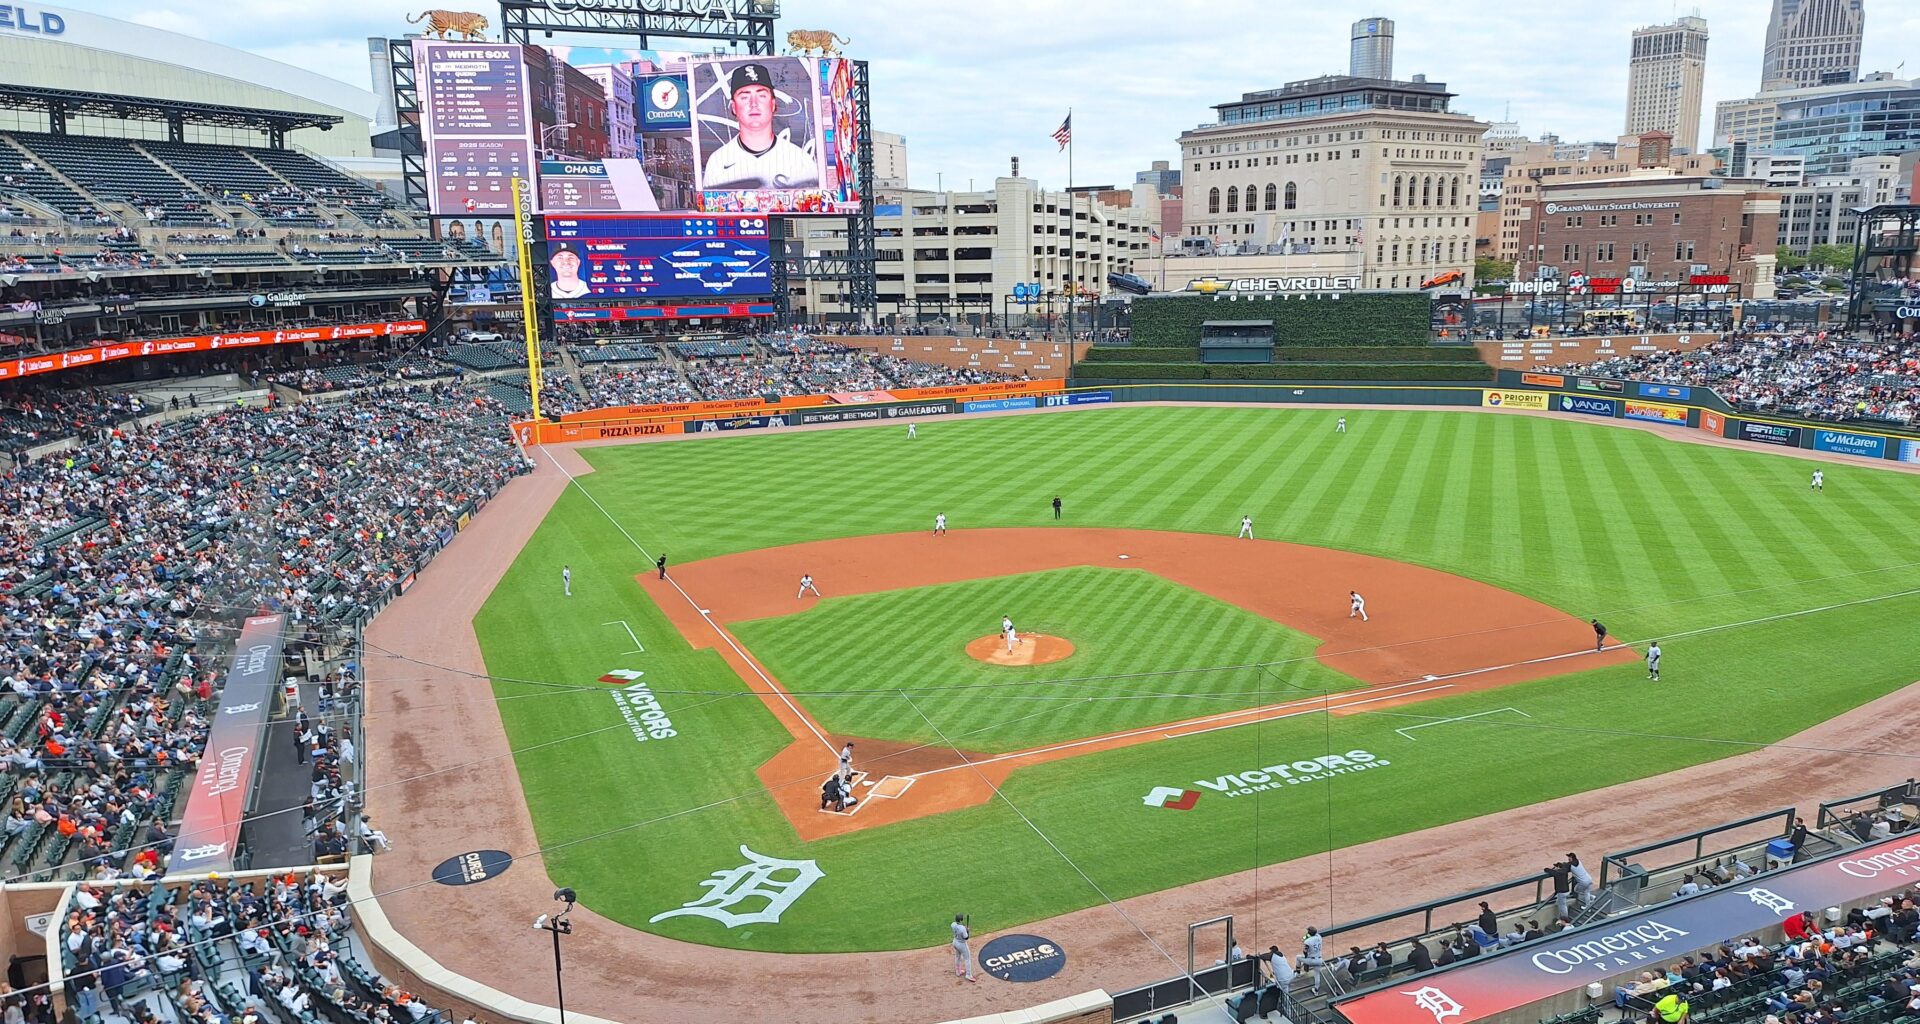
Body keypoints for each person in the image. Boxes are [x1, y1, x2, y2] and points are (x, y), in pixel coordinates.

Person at [701, 62, 819, 191]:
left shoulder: (801, 160)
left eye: (761, 95)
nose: (754, 104)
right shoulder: (718, 162)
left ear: (773, 104)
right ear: (734, 107)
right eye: (744, 97)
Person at [951, 914, 977, 982]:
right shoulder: (962, 928)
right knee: (967, 958)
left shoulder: (953, 924)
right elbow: (966, 937)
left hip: (955, 942)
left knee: (957, 956)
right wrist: (968, 930)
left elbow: (959, 928)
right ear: (961, 920)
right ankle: (968, 975)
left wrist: (964, 929)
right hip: (961, 944)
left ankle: (958, 971)